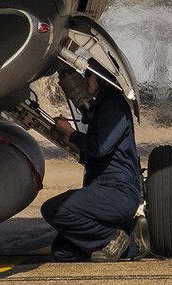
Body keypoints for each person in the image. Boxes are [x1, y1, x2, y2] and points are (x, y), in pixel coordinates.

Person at [42, 64, 142, 262]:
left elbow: (100, 147)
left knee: (54, 209)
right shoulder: (104, 107)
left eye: (88, 76)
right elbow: (95, 154)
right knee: (62, 251)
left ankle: (111, 237)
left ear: (99, 80)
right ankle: (132, 240)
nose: (85, 80)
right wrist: (66, 138)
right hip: (104, 191)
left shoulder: (113, 107)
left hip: (117, 192)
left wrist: (71, 133)